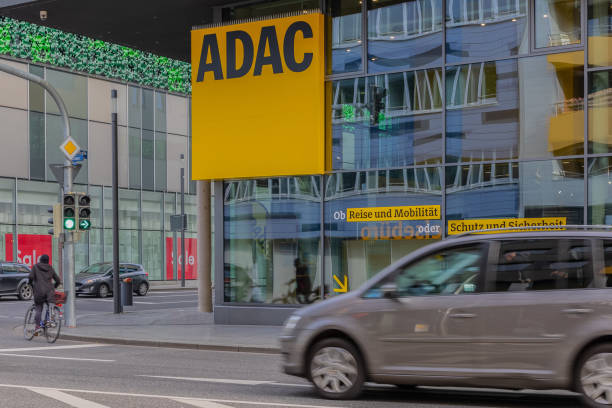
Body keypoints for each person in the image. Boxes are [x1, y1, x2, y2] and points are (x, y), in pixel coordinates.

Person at [27, 254, 61, 334]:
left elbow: (30, 277)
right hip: (49, 291)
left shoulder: (35, 267)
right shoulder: (50, 268)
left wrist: (30, 284)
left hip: (39, 291)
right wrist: (54, 287)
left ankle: (38, 327)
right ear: (48, 261)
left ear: (40, 260)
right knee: (50, 305)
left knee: (39, 308)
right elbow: (58, 280)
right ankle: (50, 320)